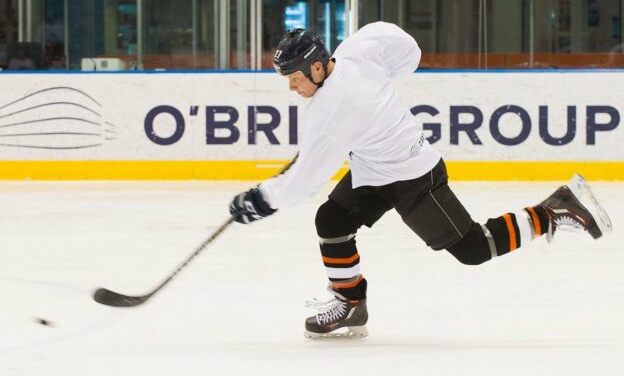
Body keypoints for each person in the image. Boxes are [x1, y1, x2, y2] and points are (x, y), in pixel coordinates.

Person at [229, 22, 612, 339]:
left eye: (295, 79)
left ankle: (553, 210)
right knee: (332, 220)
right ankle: (351, 303)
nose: (292, 88)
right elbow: (404, 47)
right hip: (373, 169)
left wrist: (258, 200)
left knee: (474, 248)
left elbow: (301, 185)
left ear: (315, 68)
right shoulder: (352, 53)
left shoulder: (330, 112)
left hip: (413, 177)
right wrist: (384, 88)